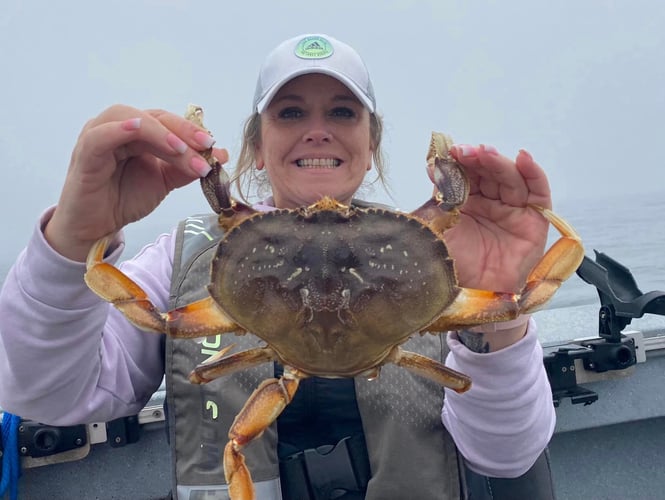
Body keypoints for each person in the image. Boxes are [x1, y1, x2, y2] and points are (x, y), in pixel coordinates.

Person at [0, 33, 558, 499]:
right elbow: (47, 396)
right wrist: (74, 240)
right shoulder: (185, 261)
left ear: (371, 145)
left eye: (342, 111)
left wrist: (501, 313)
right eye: (291, 112)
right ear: (257, 147)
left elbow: (507, 457)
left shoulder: (439, 257)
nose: (318, 129)